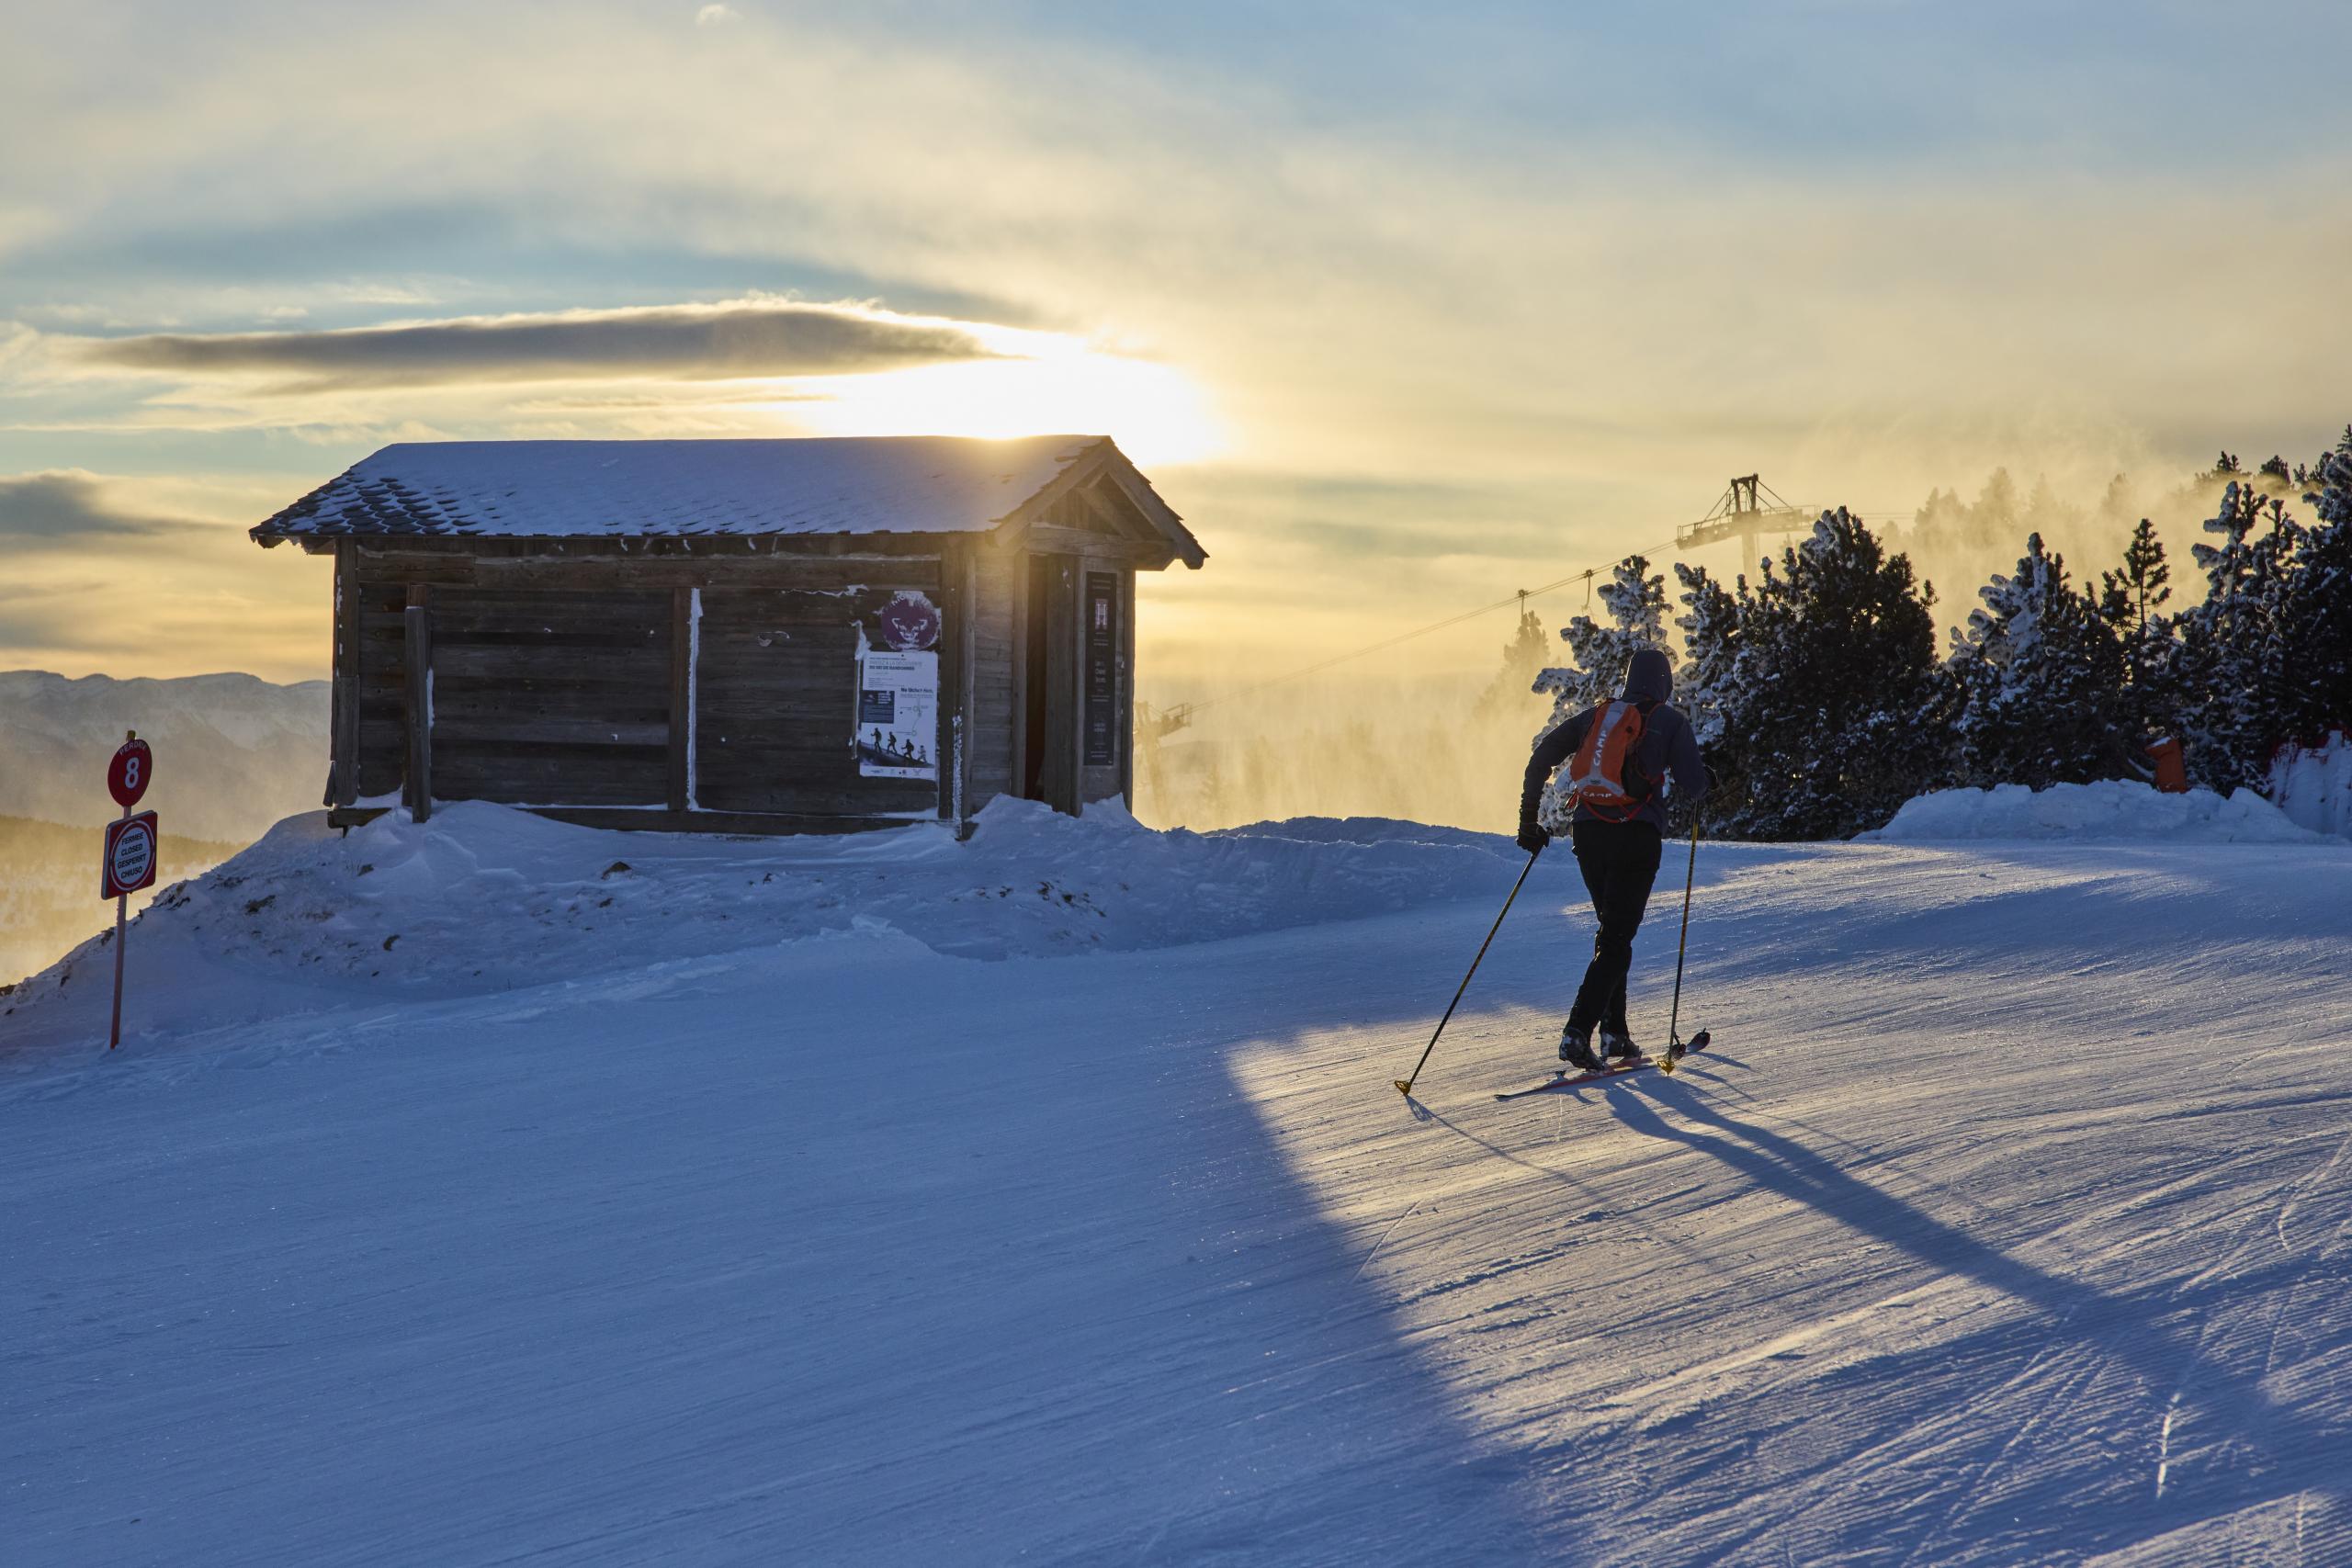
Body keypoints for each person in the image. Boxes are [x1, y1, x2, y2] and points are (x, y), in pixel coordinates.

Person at [1516, 647, 1708, 1073]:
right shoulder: (1670, 721)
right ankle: (1577, 1033)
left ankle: (1615, 1033)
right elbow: (1695, 785)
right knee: (1618, 939)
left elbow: (1541, 758)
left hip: (1589, 833)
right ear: (1664, 683)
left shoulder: (1595, 717)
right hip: (1636, 838)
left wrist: (1527, 823)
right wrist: (1704, 778)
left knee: (1611, 931)